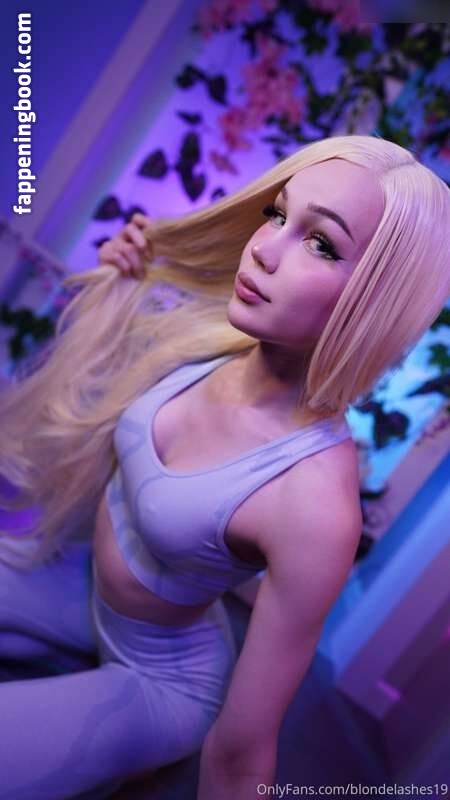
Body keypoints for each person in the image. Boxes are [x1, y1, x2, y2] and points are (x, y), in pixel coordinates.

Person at [0, 134, 449, 800]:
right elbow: (105, 374)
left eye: (321, 243)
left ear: (375, 301)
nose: (263, 248)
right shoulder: (218, 338)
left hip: (159, 679)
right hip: (82, 587)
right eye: (278, 214)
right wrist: (124, 279)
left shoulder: (315, 502)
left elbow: (241, 757)